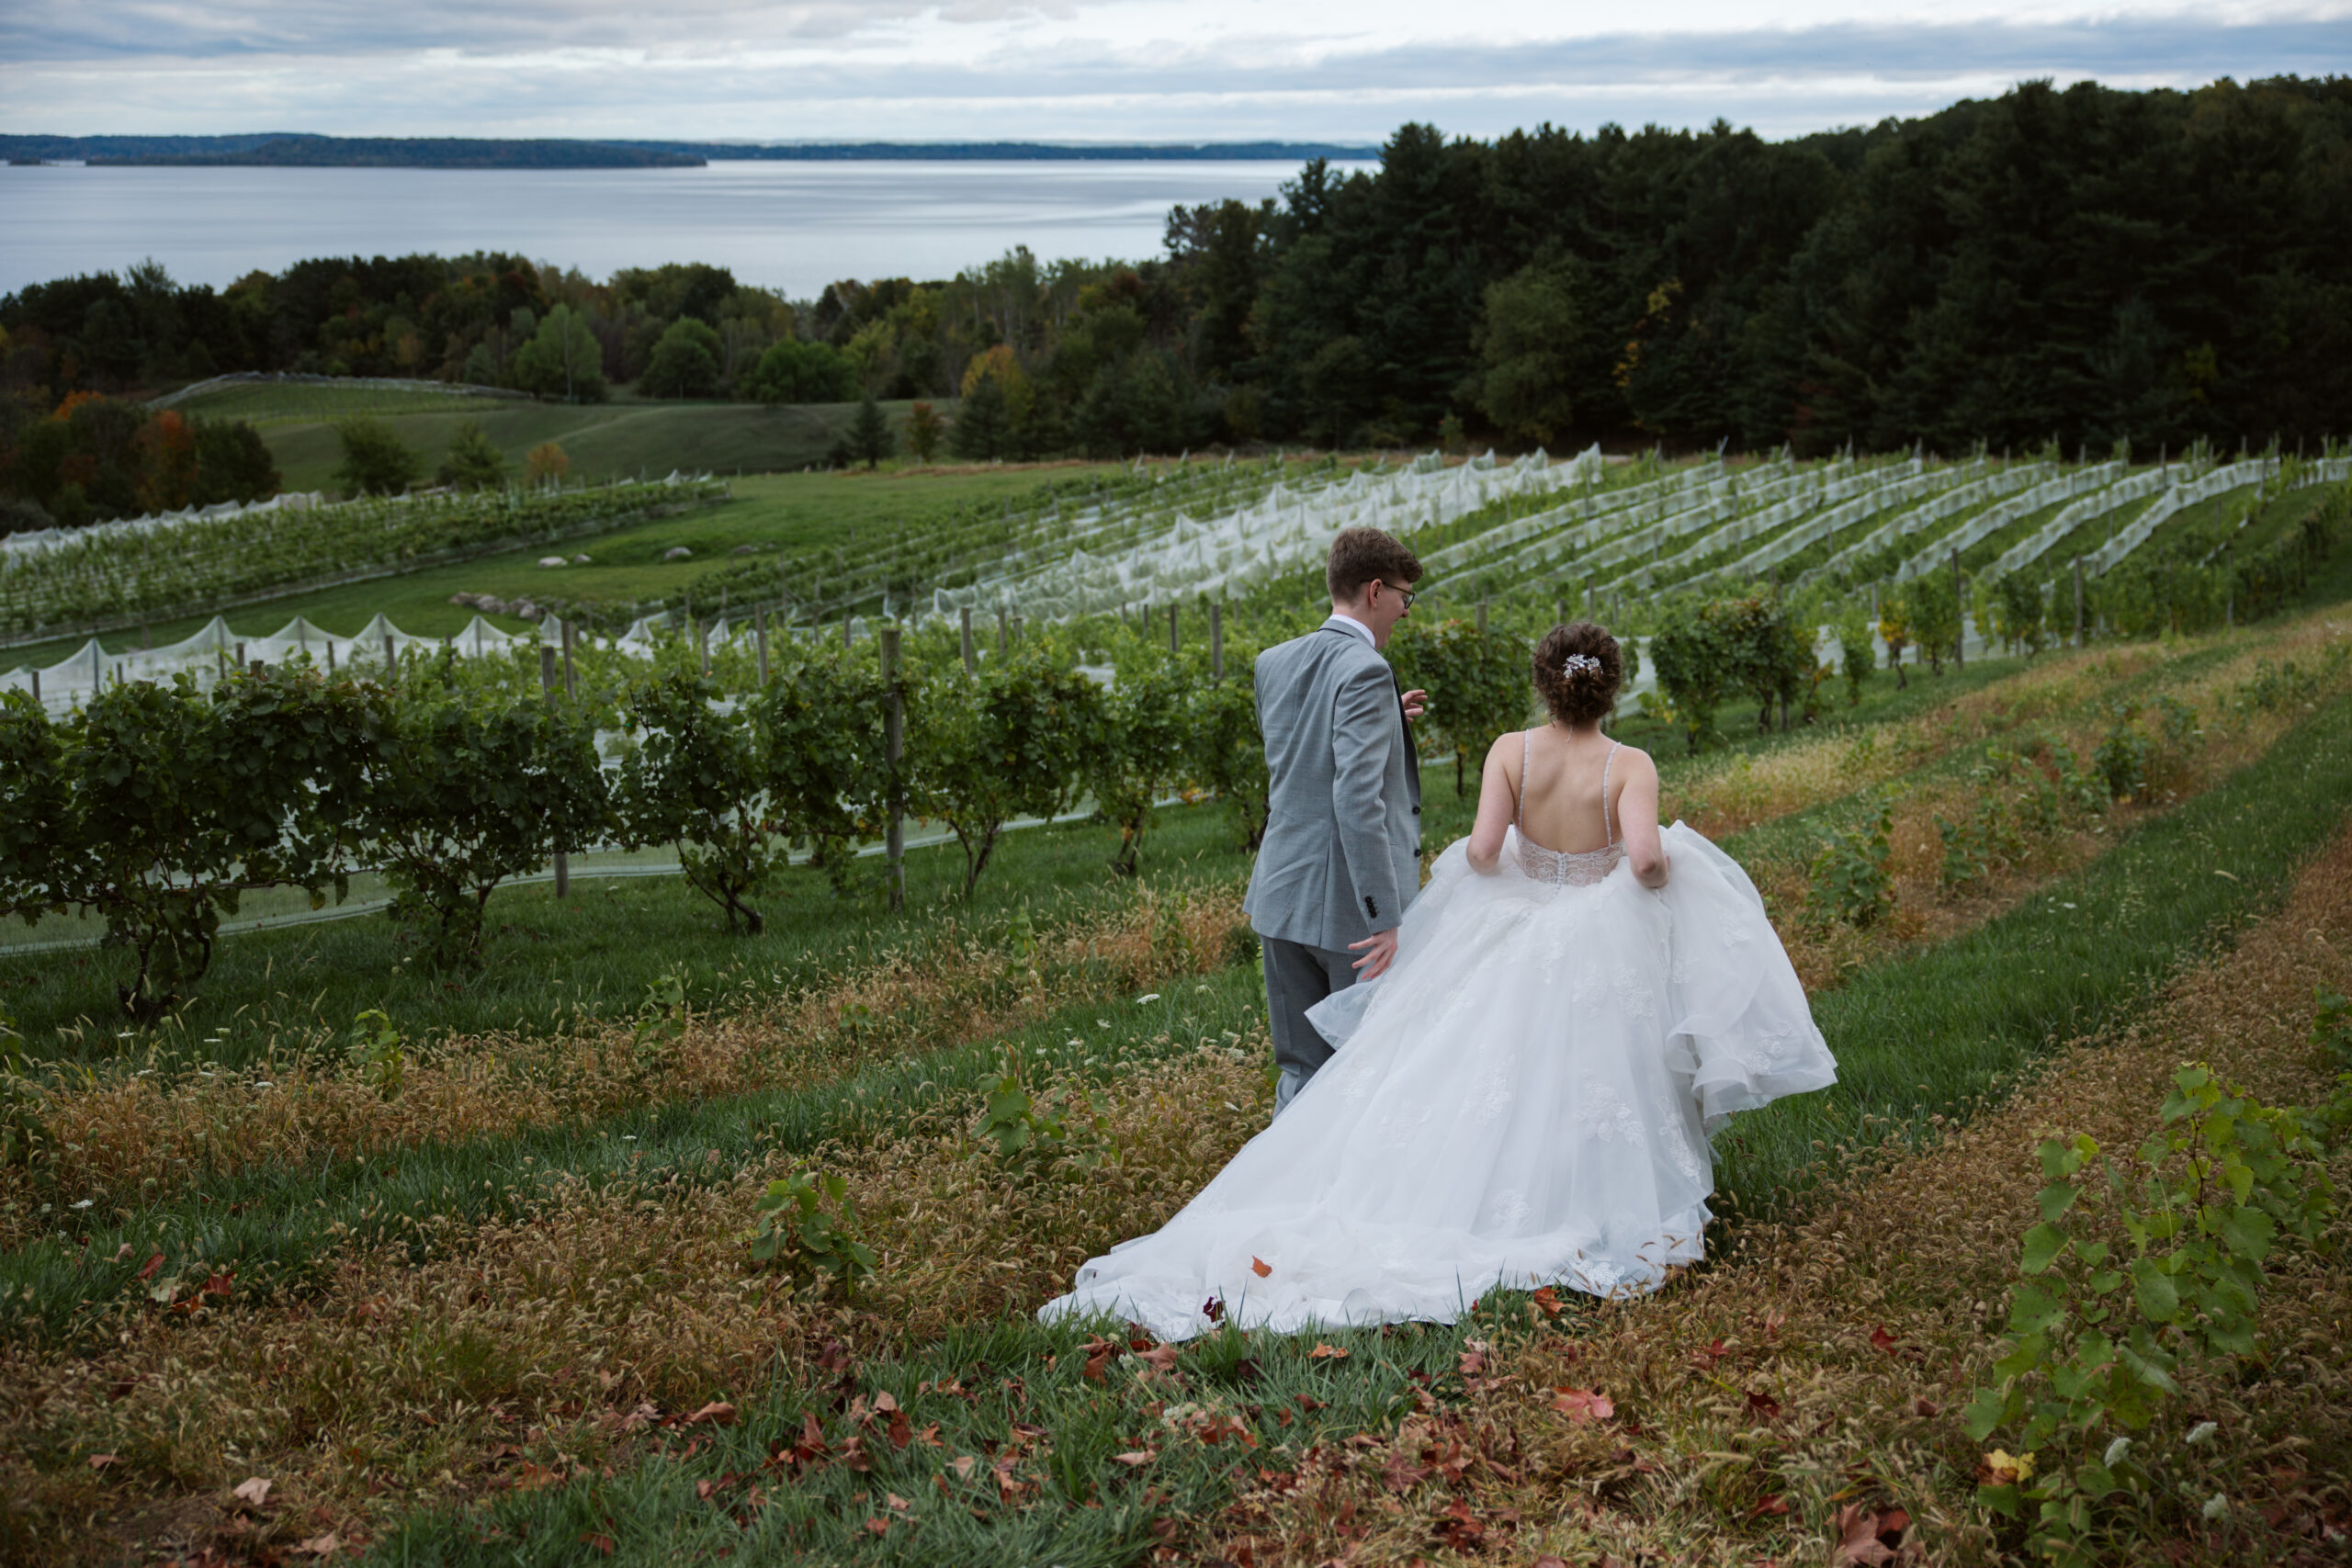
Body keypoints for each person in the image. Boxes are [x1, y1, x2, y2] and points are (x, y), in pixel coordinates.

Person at [1040, 621, 1836, 1342]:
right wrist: (1657, 869)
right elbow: (1649, 860)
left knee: (1473, 1064)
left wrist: (1523, 862)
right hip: (1602, 929)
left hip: (1516, 927)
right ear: (1610, 687)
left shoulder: (1510, 750)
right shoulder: (1630, 764)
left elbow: (1486, 851)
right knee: (1595, 1070)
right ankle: (1581, 1197)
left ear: (1545, 683)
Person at [1241, 526, 1429, 1114]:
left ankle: (1277, 1189)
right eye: (1404, 595)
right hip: (1350, 915)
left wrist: (1383, 722)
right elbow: (1356, 802)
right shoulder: (1367, 671)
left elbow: (1299, 755)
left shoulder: (1274, 662)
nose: (1405, 609)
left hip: (1280, 895)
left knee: (1298, 1068)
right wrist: (1385, 915)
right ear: (1376, 590)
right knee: (1359, 1069)